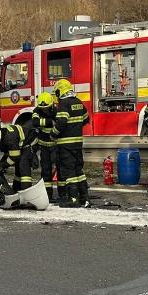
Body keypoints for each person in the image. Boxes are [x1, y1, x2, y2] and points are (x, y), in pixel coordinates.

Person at [52, 79, 91, 208]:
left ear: (60, 91)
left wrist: (53, 133)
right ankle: (84, 198)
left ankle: (73, 199)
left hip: (65, 144)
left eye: (57, 92)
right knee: (78, 170)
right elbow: (86, 119)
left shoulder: (64, 104)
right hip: (77, 143)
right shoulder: (78, 102)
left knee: (69, 172)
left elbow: (61, 122)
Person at [0, 118, 38, 192]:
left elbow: (14, 157)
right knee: (18, 167)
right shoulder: (2, 133)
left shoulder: (9, 139)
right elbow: (9, 153)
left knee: (23, 164)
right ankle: (17, 188)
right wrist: (0, 165)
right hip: (21, 145)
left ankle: (27, 191)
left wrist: (2, 166)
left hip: (30, 143)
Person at [32, 92, 62, 202]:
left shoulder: (56, 110)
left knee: (59, 169)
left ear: (51, 105)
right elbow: (35, 122)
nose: (44, 110)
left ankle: (62, 195)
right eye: (42, 108)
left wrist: (43, 123)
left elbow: (59, 123)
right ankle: (47, 196)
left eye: (46, 108)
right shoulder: (36, 110)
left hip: (55, 145)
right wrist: (50, 122)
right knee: (46, 171)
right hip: (44, 146)